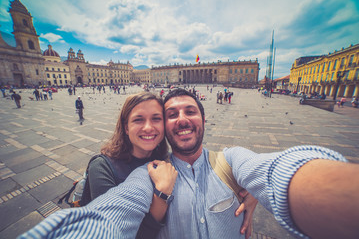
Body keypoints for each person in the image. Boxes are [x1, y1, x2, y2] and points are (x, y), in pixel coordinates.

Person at [19, 89, 359, 239]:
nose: (180, 120)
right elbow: (108, 216)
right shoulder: (149, 175)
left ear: (204, 118)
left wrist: (257, 189)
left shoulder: (231, 160)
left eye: (190, 111)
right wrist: (160, 199)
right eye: (171, 114)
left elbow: (273, 173)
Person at [87, 92, 177, 238]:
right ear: (126, 127)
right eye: (138, 120)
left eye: (156, 119)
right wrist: (162, 195)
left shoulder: (166, 160)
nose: (148, 127)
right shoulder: (102, 168)